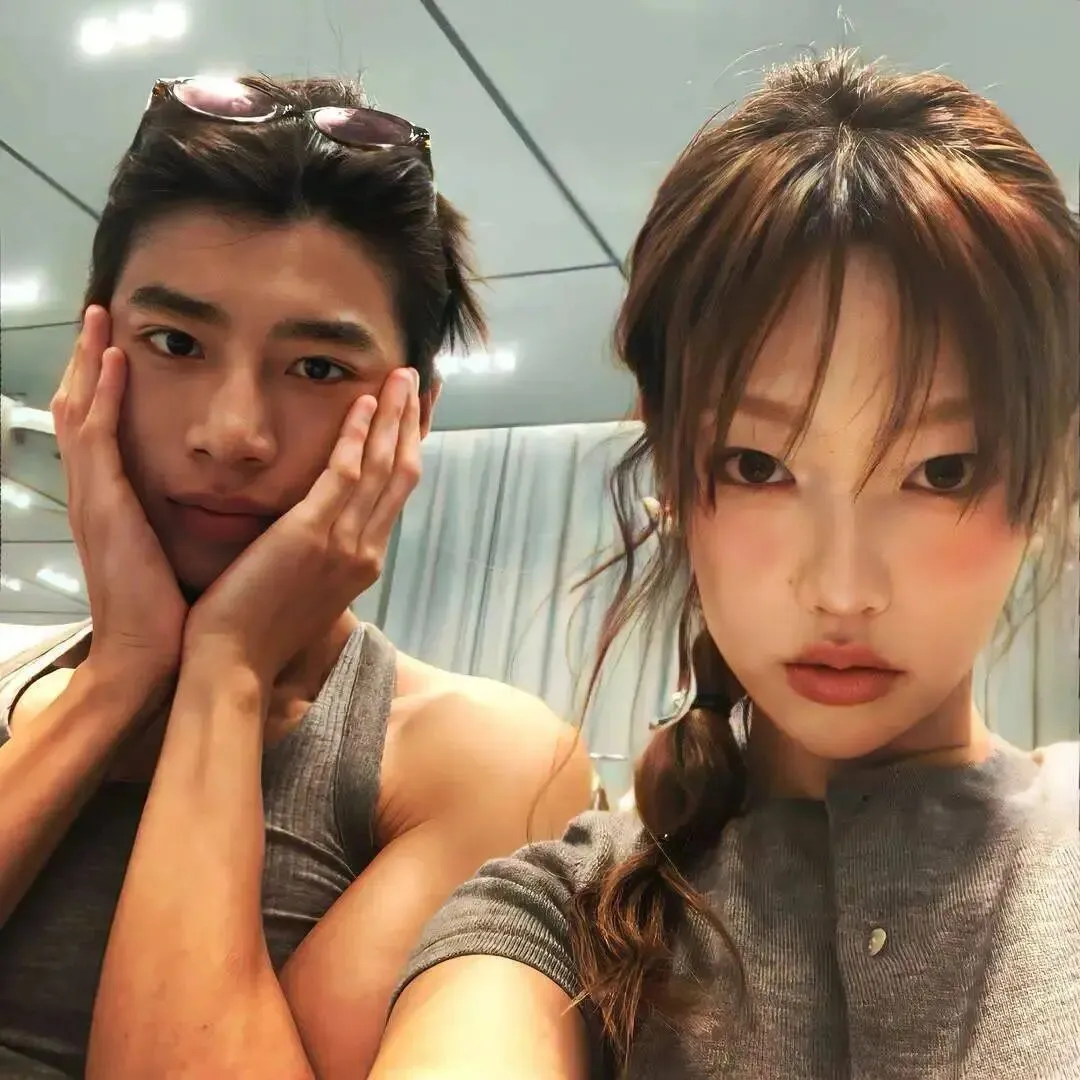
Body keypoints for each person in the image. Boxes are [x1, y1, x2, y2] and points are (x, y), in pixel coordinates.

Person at [370, 50, 1080, 1080]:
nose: (842, 589)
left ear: (1044, 479)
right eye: (759, 466)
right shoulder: (559, 917)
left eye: (941, 470)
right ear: (673, 468)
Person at [0, 75, 592, 1080]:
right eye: (175, 343)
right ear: (90, 362)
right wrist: (122, 672)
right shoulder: (20, 688)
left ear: (412, 417)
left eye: (317, 368)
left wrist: (225, 671)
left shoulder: (481, 760)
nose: (231, 433)